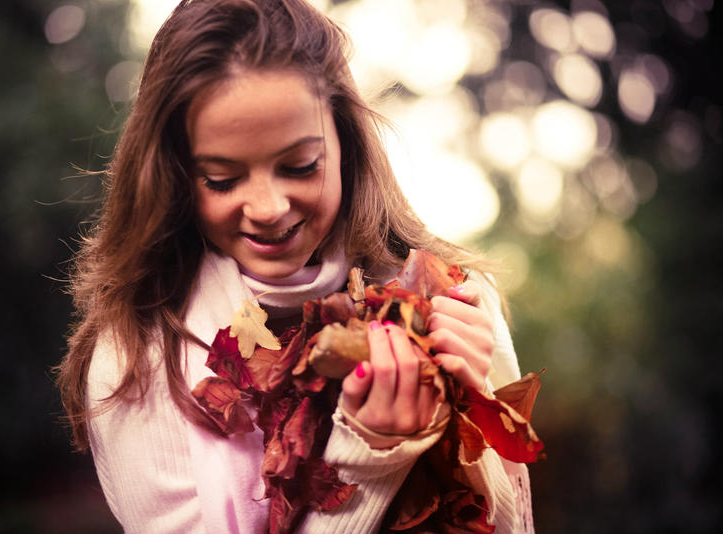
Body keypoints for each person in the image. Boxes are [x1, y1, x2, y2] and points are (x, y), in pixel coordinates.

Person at [56, 0, 534, 532]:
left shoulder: (455, 298)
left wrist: (471, 405)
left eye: (300, 166)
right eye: (222, 179)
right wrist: (371, 454)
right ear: (174, 177)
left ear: (346, 146)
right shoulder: (135, 360)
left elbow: (515, 522)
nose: (268, 209)